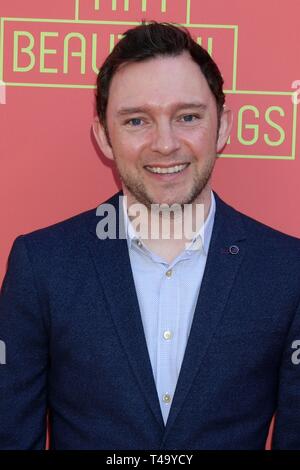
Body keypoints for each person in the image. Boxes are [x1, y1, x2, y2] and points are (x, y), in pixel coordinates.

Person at [0, 21, 300, 450]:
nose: (165, 144)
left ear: (223, 127)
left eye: (188, 117)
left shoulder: (288, 271)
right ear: (104, 135)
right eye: (137, 120)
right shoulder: (42, 264)